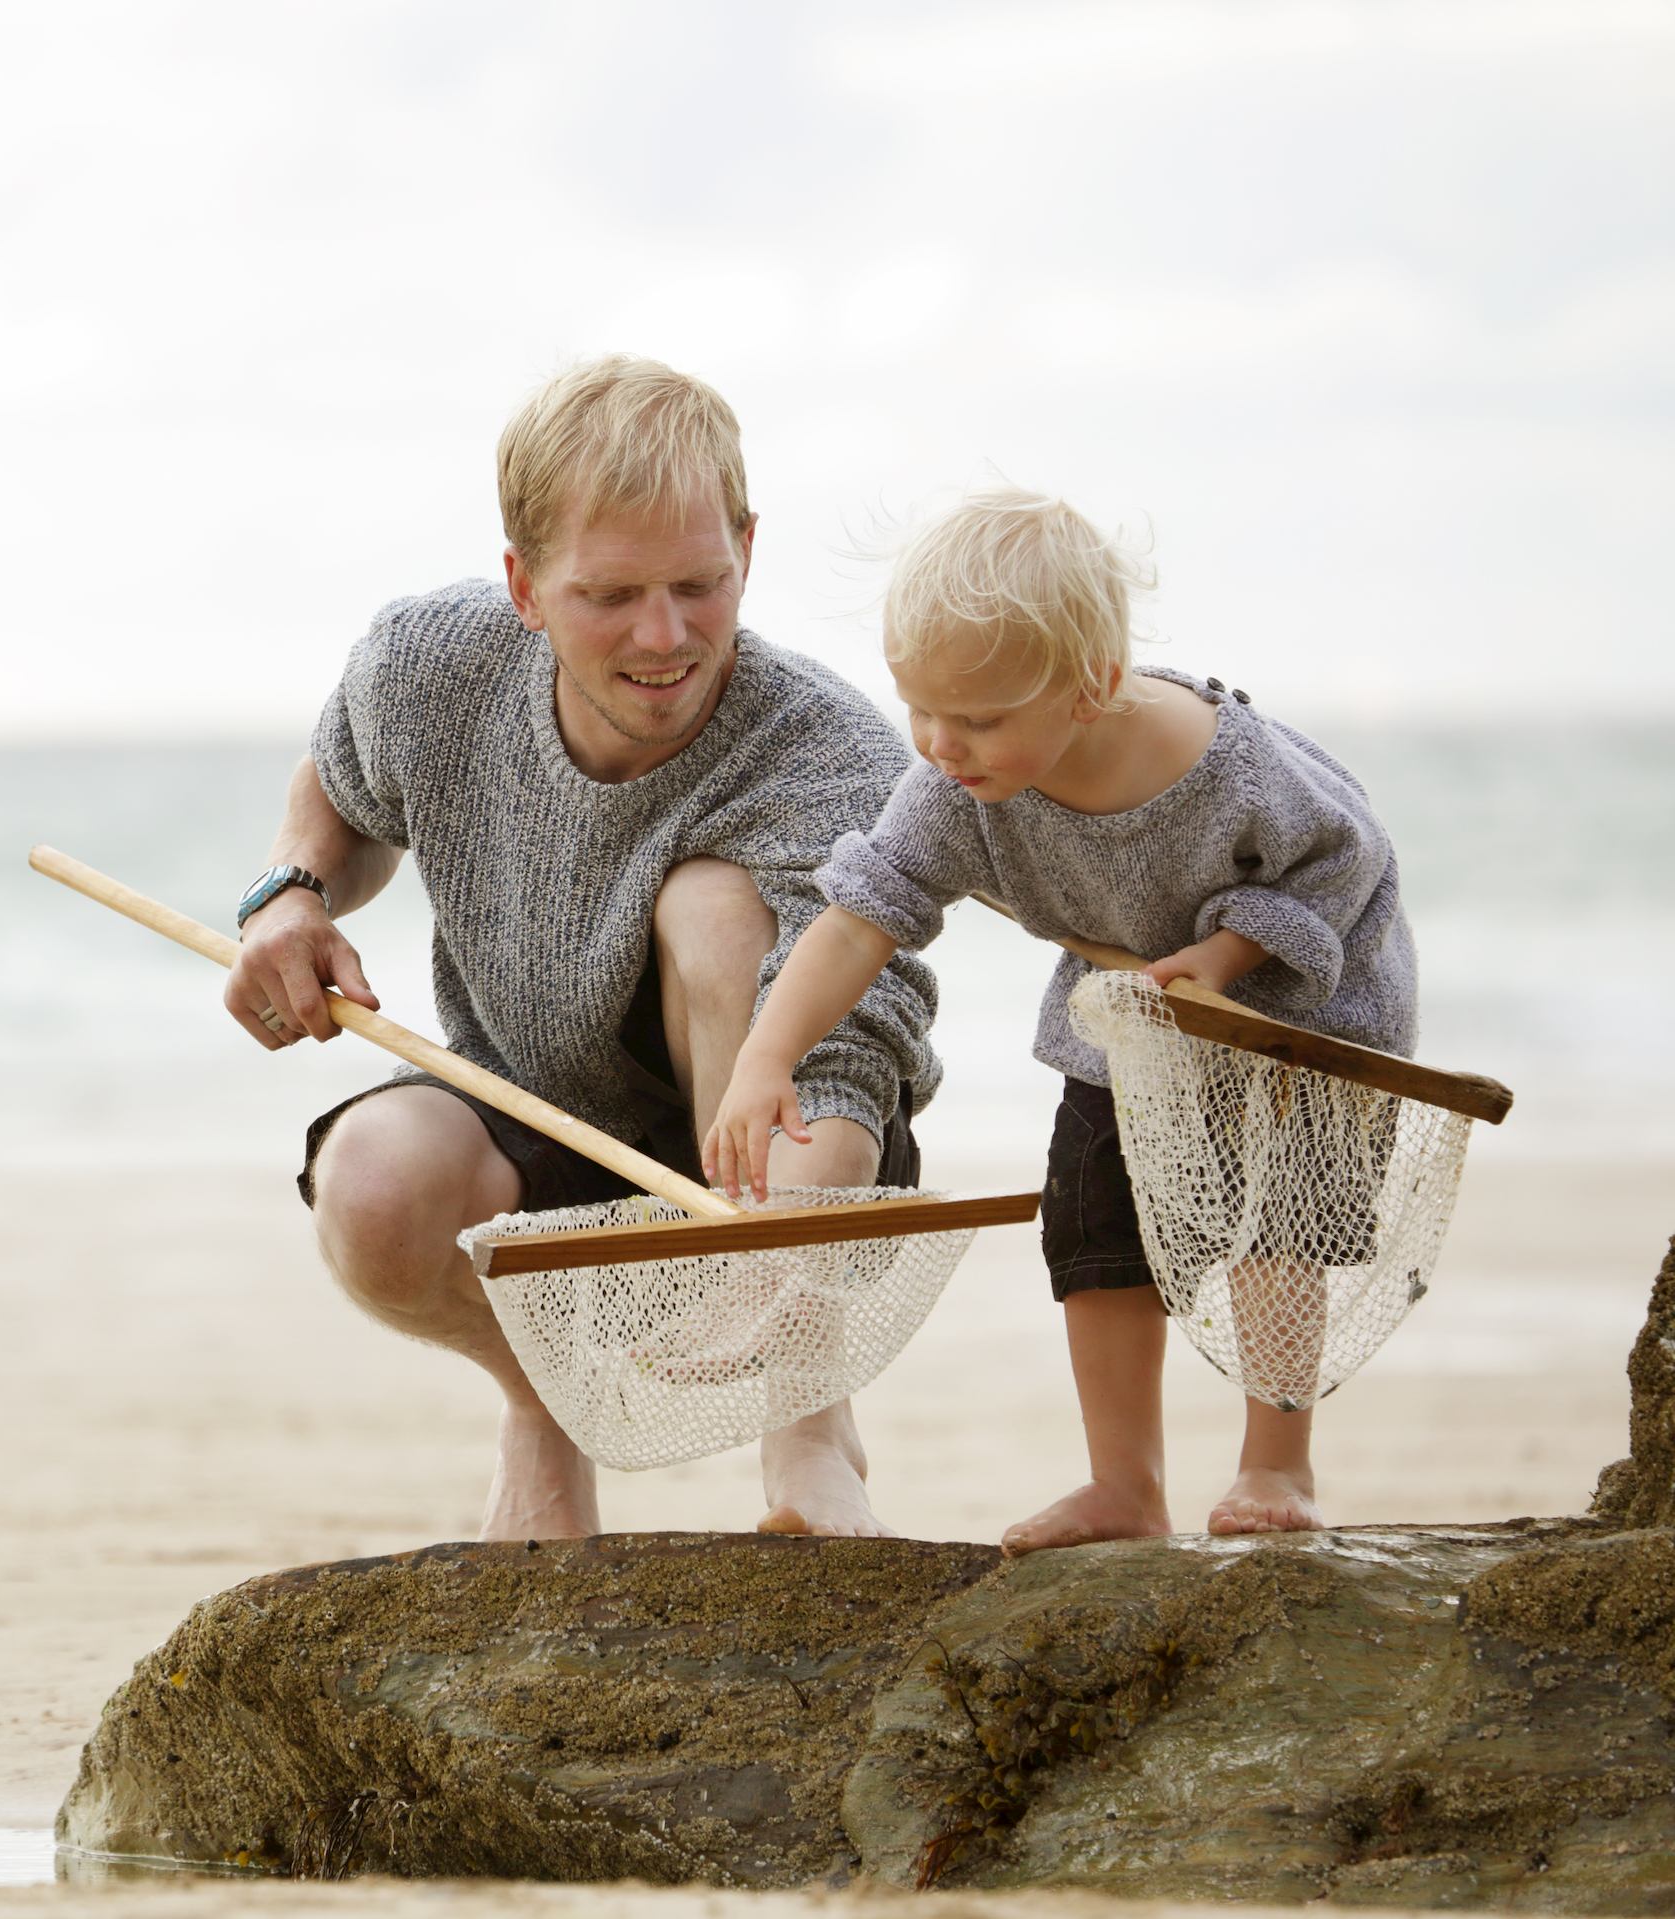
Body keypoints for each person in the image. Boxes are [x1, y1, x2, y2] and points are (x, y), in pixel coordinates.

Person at [225, 355, 941, 1542]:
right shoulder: (427, 664)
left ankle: (808, 1423)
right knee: (371, 1184)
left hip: (780, 1146)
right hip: (535, 1110)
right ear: (522, 584)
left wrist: (772, 1277)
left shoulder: (827, 758)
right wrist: (292, 897)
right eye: (609, 595)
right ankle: (539, 1404)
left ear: (747, 551)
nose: (663, 638)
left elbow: (846, 1059)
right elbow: (340, 783)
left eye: (698, 585)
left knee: (712, 910)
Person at [706, 487, 1418, 1553]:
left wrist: (1226, 957)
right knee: (1094, 1229)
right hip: (1125, 1010)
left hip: (1288, 1009)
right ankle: (1122, 1485)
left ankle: (1275, 1465)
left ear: (1088, 683)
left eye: (979, 718)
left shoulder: (1217, 762)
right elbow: (856, 921)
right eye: (919, 709)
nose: (941, 743)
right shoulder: (954, 784)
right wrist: (767, 1053)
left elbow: (1346, 859)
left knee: (1272, 1229)